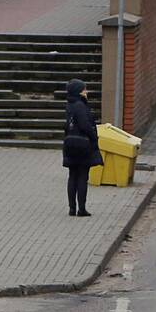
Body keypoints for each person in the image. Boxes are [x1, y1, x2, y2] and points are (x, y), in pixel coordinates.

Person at [62, 79, 101, 217]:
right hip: (82, 145)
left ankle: (72, 208)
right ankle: (81, 209)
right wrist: (94, 137)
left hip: (70, 143)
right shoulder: (80, 105)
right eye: (84, 89)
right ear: (79, 91)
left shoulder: (70, 104)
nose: (87, 92)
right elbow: (85, 125)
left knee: (72, 175)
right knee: (82, 176)